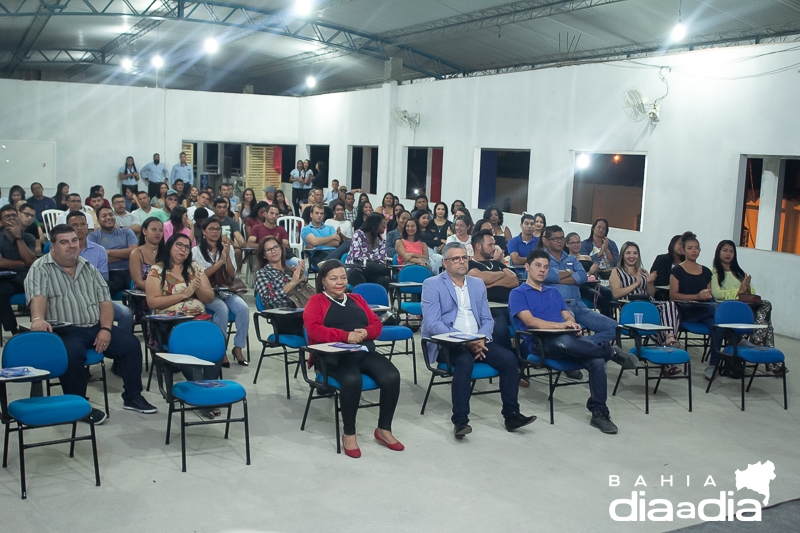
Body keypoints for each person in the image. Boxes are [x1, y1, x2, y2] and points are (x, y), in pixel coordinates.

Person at [26, 224, 158, 424]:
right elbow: (38, 296)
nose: (71, 246)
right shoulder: (40, 268)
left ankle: (132, 397)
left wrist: (105, 329)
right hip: (65, 330)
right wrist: (37, 319)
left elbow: (105, 302)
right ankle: (78, 405)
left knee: (131, 344)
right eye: (64, 242)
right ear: (52, 247)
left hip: (95, 326)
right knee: (71, 354)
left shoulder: (88, 267)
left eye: (74, 241)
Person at [509, 249, 637, 435]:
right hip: (540, 341)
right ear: (527, 267)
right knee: (565, 343)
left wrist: (571, 322)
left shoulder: (554, 292)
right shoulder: (518, 293)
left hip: (566, 337)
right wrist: (560, 327)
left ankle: (599, 412)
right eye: (538, 266)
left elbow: (566, 313)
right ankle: (610, 352)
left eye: (546, 267)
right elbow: (530, 322)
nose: (542, 270)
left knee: (596, 361)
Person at [421, 242, 535, 438]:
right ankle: (460, 421)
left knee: (509, 359)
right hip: (448, 342)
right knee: (464, 361)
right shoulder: (432, 284)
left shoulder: (477, 284)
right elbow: (432, 323)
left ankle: (512, 415)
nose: (461, 262)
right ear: (445, 263)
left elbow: (487, 319)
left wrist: (482, 339)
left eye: (464, 257)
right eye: (456, 259)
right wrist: (465, 341)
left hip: (479, 340)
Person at [303, 260, 402, 458]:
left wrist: (366, 332)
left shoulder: (356, 298)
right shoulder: (316, 301)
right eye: (333, 279)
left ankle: (384, 429)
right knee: (351, 380)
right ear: (323, 281)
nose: (339, 282)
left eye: (343, 278)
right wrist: (344, 336)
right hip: (332, 357)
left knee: (392, 376)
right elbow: (314, 329)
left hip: (362, 351)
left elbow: (377, 325)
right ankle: (349, 433)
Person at [541, 225, 618, 344]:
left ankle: (584, 344)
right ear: (547, 241)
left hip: (579, 305)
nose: (560, 241)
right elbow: (547, 275)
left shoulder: (571, 259)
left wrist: (557, 278)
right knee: (568, 333)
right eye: (556, 238)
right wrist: (570, 274)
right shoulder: (541, 260)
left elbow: (582, 276)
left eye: (562, 238)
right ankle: (580, 347)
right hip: (559, 308)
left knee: (614, 328)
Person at [609, 241, 682, 361]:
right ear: (622, 255)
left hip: (648, 303)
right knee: (656, 324)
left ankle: (669, 336)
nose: (632, 256)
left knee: (670, 305)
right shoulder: (616, 272)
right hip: (631, 307)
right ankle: (667, 353)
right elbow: (616, 293)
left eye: (635, 253)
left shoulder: (643, 271)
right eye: (628, 253)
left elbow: (651, 293)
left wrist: (649, 283)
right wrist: (636, 284)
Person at [192, 218, 249, 366]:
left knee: (243, 308)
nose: (215, 232)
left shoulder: (226, 248)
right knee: (221, 309)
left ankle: (238, 347)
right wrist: (219, 262)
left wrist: (226, 257)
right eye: (211, 229)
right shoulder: (196, 251)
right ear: (203, 232)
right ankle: (221, 350)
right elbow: (202, 275)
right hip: (207, 292)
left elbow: (231, 273)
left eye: (218, 229)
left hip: (225, 290)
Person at [66, 211, 134, 334]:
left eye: (82, 224)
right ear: (67, 227)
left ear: (88, 226)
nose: (79, 227)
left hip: (95, 298)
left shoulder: (99, 250)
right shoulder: (61, 251)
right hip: (68, 298)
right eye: (75, 225)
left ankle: (118, 340)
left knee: (126, 314)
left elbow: (102, 279)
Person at [712, 240, 779, 364]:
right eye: (725, 250)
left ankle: (757, 338)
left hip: (746, 307)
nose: (728, 254)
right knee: (767, 327)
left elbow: (752, 291)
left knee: (766, 304)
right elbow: (717, 294)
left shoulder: (739, 272)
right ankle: (772, 361)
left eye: (731, 251)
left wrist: (746, 287)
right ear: (718, 252)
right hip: (729, 309)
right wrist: (739, 292)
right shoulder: (714, 272)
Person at [669, 231, 720, 381]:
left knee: (716, 325)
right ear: (683, 250)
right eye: (690, 248)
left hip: (705, 310)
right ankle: (738, 340)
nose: (694, 251)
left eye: (696, 248)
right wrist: (696, 297)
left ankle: (713, 364)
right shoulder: (677, 270)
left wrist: (705, 296)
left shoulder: (705, 271)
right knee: (715, 310)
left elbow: (709, 294)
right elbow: (673, 296)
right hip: (686, 310)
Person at [467, 230, 519, 351]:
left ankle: (525, 357)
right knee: (499, 326)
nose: (494, 248)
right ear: (479, 246)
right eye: (490, 245)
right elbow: (480, 278)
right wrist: (502, 275)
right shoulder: (470, 265)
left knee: (528, 322)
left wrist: (490, 282)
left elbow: (514, 280)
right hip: (490, 309)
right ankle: (508, 359)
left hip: (510, 306)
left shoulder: (497, 263)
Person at [254, 235, 306, 337]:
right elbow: (268, 299)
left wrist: (301, 278)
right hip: (283, 316)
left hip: (300, 312)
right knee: (315, 326)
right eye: (269, 250)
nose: (274, 251)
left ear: (281, 249)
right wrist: (293, 282)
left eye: (276, 247)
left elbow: (301, 296)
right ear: (264, 255)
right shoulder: (262, 273)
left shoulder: (290, 270)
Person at [0, 204, 36, 337]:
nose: (11, 219)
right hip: (5, 278)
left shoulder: (28, 237)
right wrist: (22, 263)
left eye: (13, 215)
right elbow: (1, 262)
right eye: (7, 216)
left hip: (25, 276)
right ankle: (14, 330)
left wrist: (18, 238)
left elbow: (30, 261)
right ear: (1, 221)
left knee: (38, 290)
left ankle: (36, 326)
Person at [87, 205, 137, 297]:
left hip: (130, 271)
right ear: (98, 220)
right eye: (104, 216)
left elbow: (134, 252)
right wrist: (125, 255)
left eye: (111, 215)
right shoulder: (93, 236)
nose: (108, 218)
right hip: (109, 273)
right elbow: (96, 259)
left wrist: (107, 252)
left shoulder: (126, 232)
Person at [346, 213, 390, 288]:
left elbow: (382, 261)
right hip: (355, 269)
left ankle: (378, 300)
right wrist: (372, 261)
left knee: (384, 281)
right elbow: (356, 256)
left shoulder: (381, 241)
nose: (385, 226)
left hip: (372, 271)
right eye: (383, 223)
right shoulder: (359, 234)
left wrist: (368, 258)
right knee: (360, 281)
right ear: (376, 223)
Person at [211, 196, 245, 272]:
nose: (222, 210)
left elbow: (238, 235)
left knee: (238, 251)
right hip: (213, 246)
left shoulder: (231, 221)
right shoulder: (209, 221)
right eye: (219, 207)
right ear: (214, 208)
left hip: (230, 246)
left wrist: (241, 242)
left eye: (224, 207)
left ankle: (237, 274)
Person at [129, 217, 164, 292]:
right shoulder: (136, 253)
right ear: (144, 231)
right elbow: (138, 283)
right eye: (154, 229)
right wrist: (157, 292)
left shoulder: (167, 252)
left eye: (160, 230)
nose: (158, 233)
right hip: (143, 293)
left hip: (166, 294)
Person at [650, 235, 685, 300]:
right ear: (673, 243)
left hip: (681, 297)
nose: (682, 247)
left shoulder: (687, 263)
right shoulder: (661, 259)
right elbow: (653, 279)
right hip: (661, 296)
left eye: (684, 245)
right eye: (680, 244)